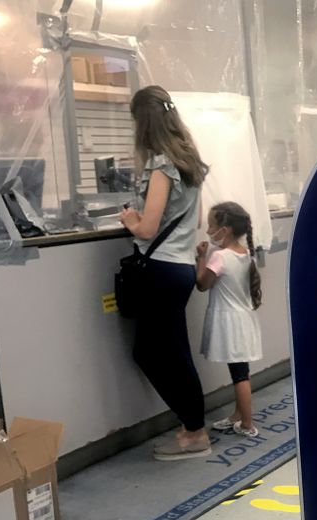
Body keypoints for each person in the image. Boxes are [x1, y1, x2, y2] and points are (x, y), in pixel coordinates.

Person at [119, 85, 211, 461]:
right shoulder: (190, 162)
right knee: (175, 352)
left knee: (152, 353)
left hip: (159, 270)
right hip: (180, 268)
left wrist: (130, 218)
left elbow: (147, 228)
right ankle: (193, 426)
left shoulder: (161, 165)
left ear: (144, 122)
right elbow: (199, 219)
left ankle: (195, 430)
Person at [196, 202, 264, 437]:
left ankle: (247, 423)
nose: (207, 231)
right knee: (240, 370)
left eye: (211, 226)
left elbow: (202, 285)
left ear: (223, 230)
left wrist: (201, 258)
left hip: (229, 323)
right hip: (242, 320)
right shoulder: (246, 255)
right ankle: (238, 414)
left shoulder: (220, 257)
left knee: (239, 374)